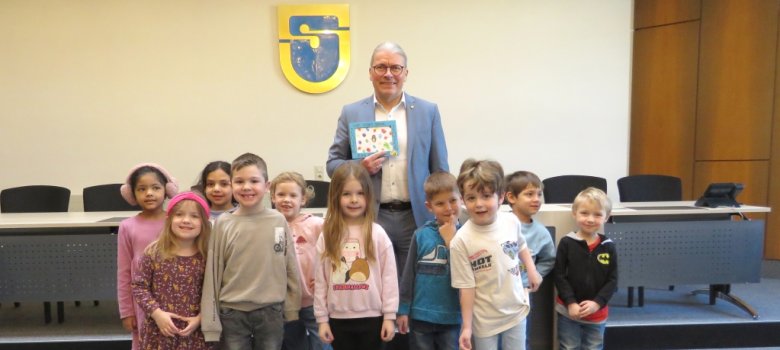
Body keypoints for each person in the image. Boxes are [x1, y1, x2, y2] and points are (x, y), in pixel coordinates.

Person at [326, 41, 449, 279]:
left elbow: (440, 170)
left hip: (416, 217)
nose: (388, 74)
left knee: (414, 283)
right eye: (381, 67)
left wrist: (442, 212)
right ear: (371, 73)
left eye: (396, 68)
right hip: (370, 214)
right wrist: (358, 168)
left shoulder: (428, 111)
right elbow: (333, 165)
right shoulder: (351, 112)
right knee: (370, 281)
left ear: (406, 73)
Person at [201, 152, 301, 350]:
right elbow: (213, 273)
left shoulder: (278, 221)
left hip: (271, 311)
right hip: (232, 313)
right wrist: (210, 321)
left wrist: (291, 308)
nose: (246, 187)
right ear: (231, 184)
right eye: (239, 181)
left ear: (267, 186)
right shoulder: (223, 224)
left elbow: (288, 264)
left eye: (254, 181)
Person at [450, 159, 542, 350]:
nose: (479, 204)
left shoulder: (511, 221)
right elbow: (466, 289)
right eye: (471, 197)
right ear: (463, 200)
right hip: (484, 319)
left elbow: (521, 245)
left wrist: (532, 271)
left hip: (516, 309)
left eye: (486, 196)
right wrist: (466, 328)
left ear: (501, 197)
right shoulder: (461, 241)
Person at [313, 162, 399, 350]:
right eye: (346, 194)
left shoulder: (378, 233)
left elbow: (390, 278)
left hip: (373, 318)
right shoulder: (328, 236)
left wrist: (389, 316)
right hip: (338, 320)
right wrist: (322, 319)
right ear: (336, 197)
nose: (354, 199)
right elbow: (321, 280)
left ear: (368, 196)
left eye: (360, 193)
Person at [132, 192, 212, 349]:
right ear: (169, 220)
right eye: (179, 214)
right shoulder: (154, 252)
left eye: (195, 216)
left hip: (195, 333)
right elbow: (139, 286)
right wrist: (157, 314)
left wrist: (201, 318)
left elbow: (216, 293)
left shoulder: (208, 256)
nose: (186, 220)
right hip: (159, 330)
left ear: (204, 223)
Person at [397, 171, 462, 350]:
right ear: (429, 206)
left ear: (461, 199)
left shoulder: (467, 235)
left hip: (452, 317)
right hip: (421, 317)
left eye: (453, 200)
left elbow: (466, 274)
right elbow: (408, 275)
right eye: (440, 203)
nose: (448, 208)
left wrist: (451, 241)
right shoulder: (420, 235)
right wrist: (403, 310)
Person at [117, 163, 179, 350]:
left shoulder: (175, 221)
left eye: (155, 188)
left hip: (174, 296)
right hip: (142, 302)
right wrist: (127, 311)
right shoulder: (127, 226)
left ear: (167, 190)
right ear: (132, 194)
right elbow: (124, 272)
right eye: (142, 189)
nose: (149, 193)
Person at [270, 171, 331, 350]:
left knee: (321, 342)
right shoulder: (270, 226)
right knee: (293, 343)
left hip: (313, 299)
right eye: (281, 194)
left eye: (293, 195)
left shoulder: (316, 225)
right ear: (273, 198)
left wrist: (326, 282)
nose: (286, 199)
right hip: (285, 301)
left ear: (303, 199)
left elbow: (332, 256)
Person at [553, 187, 618, 350]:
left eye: (597, 214)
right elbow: (559, 275)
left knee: (594, 347)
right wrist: (571, 302)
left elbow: (613, 280)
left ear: (606, 217)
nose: (590, 219)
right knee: (569, 346)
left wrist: (597, 303)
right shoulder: (567, 243)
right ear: (574, 213)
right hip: (569, 311)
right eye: (584, 213)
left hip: (597, 313)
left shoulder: (608, 247)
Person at [505, 170, 556, 347]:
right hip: (496, 291)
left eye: (539, 194)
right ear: (511, 197)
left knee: (520, 337)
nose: (536, 199)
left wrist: (535, 275)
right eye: (529, 194)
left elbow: (549, 259)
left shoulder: (541, 232)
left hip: (522, 293)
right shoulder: (499, 224)